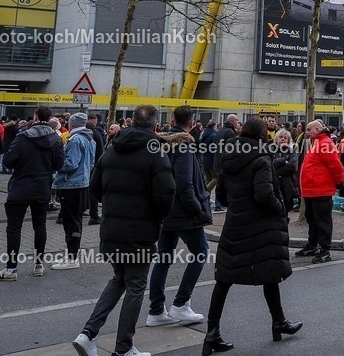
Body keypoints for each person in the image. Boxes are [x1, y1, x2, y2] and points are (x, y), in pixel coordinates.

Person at [72, 105, 175, 356]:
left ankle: (88, 333)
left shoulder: (112, 149)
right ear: (154, 125)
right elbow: (167, 192)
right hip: (141, 230)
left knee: (119, 279)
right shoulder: (156, 152)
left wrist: (111, 206)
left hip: (112, 228)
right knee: (136, 285)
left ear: (131, 122)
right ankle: (123, 348)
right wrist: (157, 217)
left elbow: (94, 188)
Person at [203, 118, 301, 354]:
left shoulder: (229, 156)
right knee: (270, 271)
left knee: (224, 279)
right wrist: (279, 207)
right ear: (261, 135)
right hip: (260, 225)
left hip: (235, 224)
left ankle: (212, 332)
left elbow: (223, 196)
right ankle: (278, 321)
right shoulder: (261, 158)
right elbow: (264, 195)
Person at [147, 105, 212, 327]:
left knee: (163, 258)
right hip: (183, 211)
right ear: (193, 123)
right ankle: (181, 304)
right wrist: (195, 208)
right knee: (201, 251)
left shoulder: (160, 143)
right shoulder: (184, 145)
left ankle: (156, 310)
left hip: (164, 210)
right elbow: (184, 182)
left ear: (172, 119)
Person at [0, 106, 63, 281]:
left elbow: (8, 160)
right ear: (49, 117)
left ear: (35, 117)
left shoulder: (23, 137)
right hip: (42, 187)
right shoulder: (55, 139)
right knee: (40, 226)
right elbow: (59, 165)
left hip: (21, 186)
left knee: (14, 228)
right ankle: (38, 265)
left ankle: (11, 269)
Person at [51, 113, 96, 270]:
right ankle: (72, 254)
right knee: (75, 220)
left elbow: (70, 163)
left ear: (71, 124)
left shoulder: (75, 140)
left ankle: (72, 257)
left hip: (71, 184)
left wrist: (55, 164)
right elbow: (90, 162)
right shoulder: (90, 139)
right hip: (82, 183)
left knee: (71, 222)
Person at [297, 120, 344, 263]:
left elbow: (335, 165)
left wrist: (339, 182)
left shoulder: (324, 143)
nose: (307, 131)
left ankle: (325, 249)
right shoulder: (317, 142)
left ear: (317, 129)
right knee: (312, 219)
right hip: (313, 189)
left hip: (320, 190)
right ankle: (313, 245)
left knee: (322, 221)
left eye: (309, 129)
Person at [211, 115, 239, 212]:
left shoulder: (220, 131)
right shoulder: (230, 132)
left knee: (220, 182)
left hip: (217, 159)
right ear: (233, 121)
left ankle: (218, 204)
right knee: (226, 183)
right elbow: (232, 148)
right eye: (236, 120)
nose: (237, 122)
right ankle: (221, 204)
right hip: (225, 161)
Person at [273, 129, 299, 216]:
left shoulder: (291, 152)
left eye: (285, 138)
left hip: (287, 188)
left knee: (285, 214)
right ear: (276, 139)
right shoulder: (270, 151)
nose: (283, 139)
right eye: (280, 137)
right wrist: (283, 161)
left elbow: (292, 167)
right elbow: (269, 165)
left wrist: (276, 171)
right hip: (274, 187)